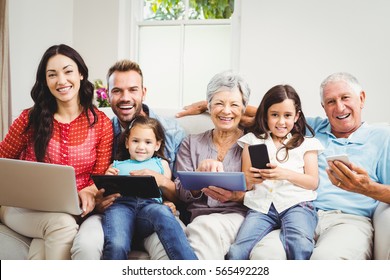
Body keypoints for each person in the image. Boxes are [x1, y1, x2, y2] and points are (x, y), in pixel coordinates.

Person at [178, 72, 390, 259]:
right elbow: (273, 109)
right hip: (287, 209)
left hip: (343, 218)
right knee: (264, 255)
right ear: (323, 107)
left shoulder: (381, 138)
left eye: (345, 98)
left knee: (325, 260)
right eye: (331, 102)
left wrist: (366, 188)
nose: (339, 107)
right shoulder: (312, 127)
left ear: (361, 99)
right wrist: (210, 104)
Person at [0, 44, 113, 259]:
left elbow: (98, 177)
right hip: (21, 208)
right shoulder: (29, 119)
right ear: (45, 81)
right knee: (63, 225)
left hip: (72, 210)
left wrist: (89, 191)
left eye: (68, 71)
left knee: (44, 247)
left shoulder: (101, 124)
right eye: (52, 75)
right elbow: (2, 160)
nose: (61, 81)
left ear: (81, 74)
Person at [71, 59, 186, 260]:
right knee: (89, 246)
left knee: (169, 247)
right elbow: (93, 180)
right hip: (115, 211)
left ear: (143, 92)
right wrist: (97, 201)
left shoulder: (173, 133)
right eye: (117, 91)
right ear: (107, 94)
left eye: (133, 90)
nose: (125, 98)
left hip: (154, 211)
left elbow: (183, 194)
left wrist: (167, 195)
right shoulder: (102, 130)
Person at [153, 70, 250, 260]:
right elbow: (180, 193)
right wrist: (197, 180)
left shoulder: (252, 144)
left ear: (244, 109)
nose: (226, 111)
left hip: (236, 218)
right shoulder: (191, 143)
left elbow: (264, 193)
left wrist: (237, 196)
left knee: (204, 227)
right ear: (209, 106)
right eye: (219, 103)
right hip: (197, 218)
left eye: (234, 105)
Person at [227, 84, 323, 260]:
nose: (281, 122)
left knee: (300, 245)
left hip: (297, 205)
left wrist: (284, 174)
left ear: (297, 116)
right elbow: (246, 184)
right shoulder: (252, 141)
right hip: (261, 208)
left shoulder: (307, 143)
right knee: (236, 252)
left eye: (287, 116)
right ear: (265, 115)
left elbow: (312, 182)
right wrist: (251, 179)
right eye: (274, 115)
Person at [101, 116, 197, 259]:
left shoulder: (161, 164)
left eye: (148, 142)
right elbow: (104, 193)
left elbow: (169, 194)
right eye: (135, 141)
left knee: (163, 211)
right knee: (117, 244)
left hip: (149, 207)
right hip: (121, 207)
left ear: (157, 145)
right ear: (127, 143)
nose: (141, 147)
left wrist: (167, 203)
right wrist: (107, 178)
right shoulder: (116, 165)